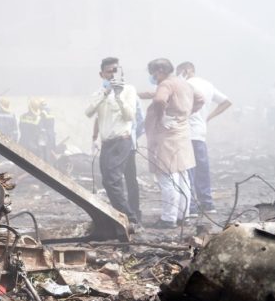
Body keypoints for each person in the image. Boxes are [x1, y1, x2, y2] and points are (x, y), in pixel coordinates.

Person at [144, 58, 204, 229]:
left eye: (153, 73)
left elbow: (159, 100)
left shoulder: (166, 84)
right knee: (182, 175)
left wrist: (162, 115)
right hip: (182, 133)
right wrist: (185, 114)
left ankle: (168, 218)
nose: (153, 77)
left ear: (159, 70)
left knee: (167, 177)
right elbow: (200, 99)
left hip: (167, 137)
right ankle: (182, 215)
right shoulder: (183, 83)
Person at [85, 57, 140, 226]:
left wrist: (118, 96)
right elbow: (89, 112)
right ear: (102, 74)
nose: (112, 74)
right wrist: (106, 93)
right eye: (109, 71)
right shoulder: (99, 92)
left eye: (115, 70)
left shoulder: (128, 90)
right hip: (107, 143)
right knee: (108, 180)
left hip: (122, 140)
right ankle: (125, 215)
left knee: (114, 180)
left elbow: (130, 116)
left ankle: (129, 219)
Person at [176, 62, 232, 216]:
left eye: (179, 71)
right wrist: (208, 117)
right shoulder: (208, 84)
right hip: (200, 132)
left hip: (186, 131)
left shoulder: (184, 84)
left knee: (188, 169)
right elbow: (226, 102)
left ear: (187, 70)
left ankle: (192, 206)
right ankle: (207, 204)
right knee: (202, 168)